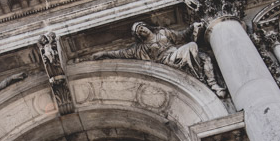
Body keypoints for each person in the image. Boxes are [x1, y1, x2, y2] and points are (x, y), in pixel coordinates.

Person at [93, 22, 225, 97]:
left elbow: (181, 36)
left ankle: (213, 85)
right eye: (138, 32)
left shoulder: (163, 33)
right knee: (191, 47)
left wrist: (192, 27)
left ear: (146, 26)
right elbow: (121, 53)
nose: (141, 31)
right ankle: (199, 78)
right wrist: (104, 53)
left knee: (204, 57)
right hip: (167, 61)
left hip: (176, 53)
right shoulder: (140, 48)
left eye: (141, 28)